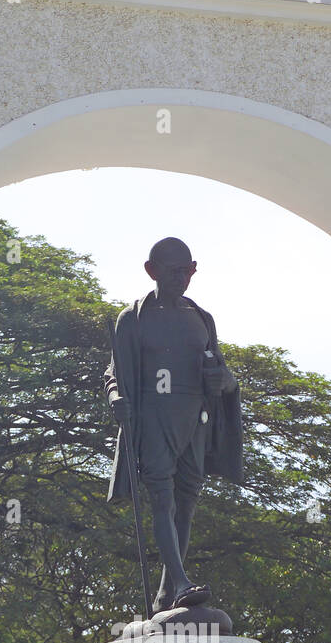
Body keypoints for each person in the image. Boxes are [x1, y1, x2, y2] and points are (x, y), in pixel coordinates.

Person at [104, 237, 243, 613]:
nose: (182, 278)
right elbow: (115, 371)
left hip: (195, 421)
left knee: (186, 503)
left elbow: (223, 373)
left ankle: (168, 592)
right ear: (152, 271)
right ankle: (180, 581)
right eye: (173, 271)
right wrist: (116, 397)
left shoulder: (201, 319)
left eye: (188, 270)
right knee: (162, 499)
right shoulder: (133, 319)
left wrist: (224, 381)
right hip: (153, 418)